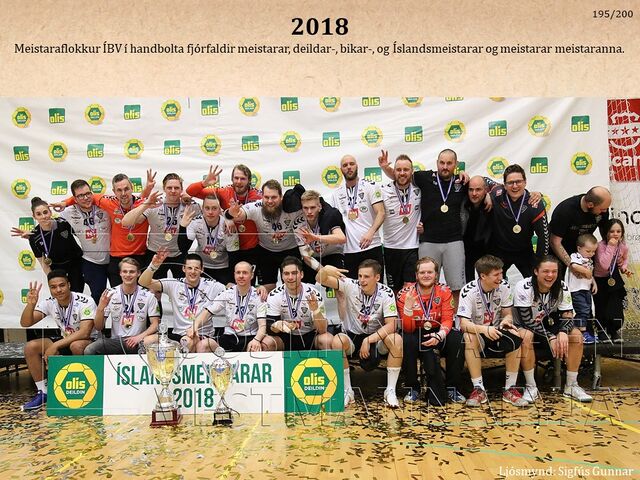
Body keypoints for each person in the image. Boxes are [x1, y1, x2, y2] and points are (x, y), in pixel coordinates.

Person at [381, 149, 469, 305]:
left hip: (454, 241)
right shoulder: (424, 178)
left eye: (449, 163)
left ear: (456, 164)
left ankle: (454, 318)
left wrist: (488, 196)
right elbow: (401, 177)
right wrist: (386, 168)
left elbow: (481, 186)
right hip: (428, 241)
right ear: (437, 163)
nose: (445, 166)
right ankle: (429, 316)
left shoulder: (462, 182)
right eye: (442, 163)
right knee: (426, 285)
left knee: (456, 288)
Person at [316, 260, 403, 408]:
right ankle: (347, 391)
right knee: (337, 341)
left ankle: (390, 391)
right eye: (360, 276)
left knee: (396, 339)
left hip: (376, 337)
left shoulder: (386, 293)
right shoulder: (351, 285)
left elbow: (392, 324)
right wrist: (326, 269)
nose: (362, 280)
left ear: (377, 277)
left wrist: (369, 340)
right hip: (353, 336)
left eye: (366, 276)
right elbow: (320, 279)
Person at [513, 255, 593, 403]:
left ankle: (571, 385)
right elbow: (527, 321)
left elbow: (568, 316)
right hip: (525, 325)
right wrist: (550, 336)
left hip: (548, 323)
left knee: (576, 335)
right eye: (546, 271)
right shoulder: (523, 286)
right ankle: (531, 387)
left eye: (554, 271)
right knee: (526, 336)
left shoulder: (561, 286)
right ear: (536, 271)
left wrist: (562, 332)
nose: (550, 275)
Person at [57, 171, 154, 287]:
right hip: (116, 258)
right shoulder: (108, 202)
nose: (123, 193)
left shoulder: (143, 204)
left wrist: (148, 189)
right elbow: (84, 196)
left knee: (142, 294)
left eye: (126, 189)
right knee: (117, 295)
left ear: (132, 188)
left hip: (140, 256)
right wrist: (65, 203)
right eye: (119, 190)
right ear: (114, 191)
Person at [457, 255, 528, 408]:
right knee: (468, 337)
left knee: (516, 334)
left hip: (497, 330)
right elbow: (464, 324)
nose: (500, 278)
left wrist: (507, 320)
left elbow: (507, 314)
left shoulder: (504, 286)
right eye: (496, 275)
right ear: (483, 276)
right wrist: (484, 329)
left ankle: (510, 389)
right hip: (478, 332)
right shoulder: (468, 291)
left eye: (501, 273)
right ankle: (479, 389)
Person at [19, 270, 96, 411]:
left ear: (69, 285)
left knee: (76, 345)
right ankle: (44, 393)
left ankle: (81, 388)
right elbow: (25, 323)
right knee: (31, 347)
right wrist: (30, 305)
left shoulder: (85, 301)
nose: (58, 290)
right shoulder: (50, 302)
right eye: (53, 287)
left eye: (62, 285)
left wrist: (55, 346)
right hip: (65, 339)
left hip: (89, 341)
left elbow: (85, 332)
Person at [396, 257, 465, 406]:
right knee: (406, 340)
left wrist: (439, 336)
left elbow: (448, 319)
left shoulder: (445, 291)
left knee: (457, 339)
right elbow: (407, 328)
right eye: (422, 272)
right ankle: (413, 388)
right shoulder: (404, 294)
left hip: (438, 329)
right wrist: (408, 308)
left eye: (430, 272)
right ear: (416, 275)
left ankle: (452, 388)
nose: (426, 275)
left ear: (436, 275)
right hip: (415, 330)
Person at [225, 179, 305, 291]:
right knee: (266, 287)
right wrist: (230, 214)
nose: (270, 201)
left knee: (293, 285)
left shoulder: (293, 208)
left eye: (274, 197)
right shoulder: (257, 207)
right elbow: (238, 214)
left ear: (281, 197)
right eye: (266, 197)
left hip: (290, 250)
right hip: (266, 251)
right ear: (262, 197)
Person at [139, 250, 225, 352]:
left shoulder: (212, 285)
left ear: (202, 270)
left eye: (196, 268)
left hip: (202, 334)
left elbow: (231, 291)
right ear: (183, 268)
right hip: (178, 334)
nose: (193, 272)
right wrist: (153, 266)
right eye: (189, 268)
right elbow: (143, 282)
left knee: (186, 342)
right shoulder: (174, 284)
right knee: (147, 341)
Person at [122, 173, 199, 279]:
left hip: (179, 254)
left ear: (182, 189)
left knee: (182, 286)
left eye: (176, 188)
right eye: (169, 188)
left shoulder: (190, 205)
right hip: (155, 253)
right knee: (152, 286)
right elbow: (126, 222)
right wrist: (146, 204)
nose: (173, 191)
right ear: (164, 189)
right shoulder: (154, 204)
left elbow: (211, 212)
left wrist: (190, 197)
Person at [186, 164, 262, 269]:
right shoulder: (224, 192)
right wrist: (204, 183)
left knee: (249, 278)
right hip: (229, 249)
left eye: (243, 179)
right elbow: (190, 191)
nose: (239, 181)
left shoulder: (258, 196)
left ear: (249, 180)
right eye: (236, 178)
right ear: (232, 179)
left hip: (251, 248)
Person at [192, 261, 278, 352]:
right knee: (203, 345)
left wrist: (256, 340)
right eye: (238, 272)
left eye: (245, 273)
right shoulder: (227, 293)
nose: (241, 276)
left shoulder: (258, 295)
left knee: (259, 346)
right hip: (229, 337)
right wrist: (195, 326)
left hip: (250, 337)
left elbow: (262, 326)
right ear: (234, 275)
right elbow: (207, 312)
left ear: (252, 275)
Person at [84, 258, 160, 355]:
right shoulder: (110, 293)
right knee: (90, 349)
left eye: (132, 272)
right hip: (116, 341)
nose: (128, 275)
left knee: (156, 339)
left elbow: (155, 324)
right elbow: (99, 327)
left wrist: (139, 337)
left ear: (138, 273)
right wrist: (100, 308)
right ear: (120, 273)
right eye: (125, 271)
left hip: (138, 341)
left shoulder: (148, 295)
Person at [488, 165, 549, 279]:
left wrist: (540, 263)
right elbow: (483, 180)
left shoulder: (534, 203)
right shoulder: (496, 193)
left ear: (525, 182)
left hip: (524, 251)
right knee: (494, 283)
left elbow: (544, 237)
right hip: (500, 251)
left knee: (535, 282)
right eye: (510, 183)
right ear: (504, 185)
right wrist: (487, 195)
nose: (515, 186)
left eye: (518, 182)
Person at [330, 154, 385, 279]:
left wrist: (370, 232)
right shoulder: (336, 194)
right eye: (345, 165)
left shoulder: (370, 186)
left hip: (372, 246)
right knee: (353, 289)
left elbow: (381, 213)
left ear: (357, 166)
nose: (349, 167)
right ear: (341, 170)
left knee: (376, 287)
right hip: (349, 251)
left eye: (352, 164)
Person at [262, 257, 333, 352]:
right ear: (282, 276)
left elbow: (322, 330)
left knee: (327, 340)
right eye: (286, 274)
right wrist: (277, 325)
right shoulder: (274, 295)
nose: (290, 277)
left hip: (310, 335)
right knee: (267, 343)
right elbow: (270, 328)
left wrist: (315, 310)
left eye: (294, 273)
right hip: (286, 337)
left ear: (301, 274)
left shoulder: (314, 294)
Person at [59, 179, 111, 304]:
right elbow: (51, 224)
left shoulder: (105, 206)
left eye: (88, 193)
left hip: (114, 259)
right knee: (98, 296)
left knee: (120, 295)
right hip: (91, 262)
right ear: (75, 199)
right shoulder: (68, 212)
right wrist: (34, 233)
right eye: (81, 196)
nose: (86, 198)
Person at [380, 153, 422, 293]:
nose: (402, 173)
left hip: (412, 247)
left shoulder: (420, 189)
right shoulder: (383, 190)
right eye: (398, 170)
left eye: (406, 169)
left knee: (411, 289)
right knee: (394, 290)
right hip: (391, 248)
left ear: (412, 171)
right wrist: (385, 167)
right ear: (394, 172)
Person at [549, 186, 611, 279]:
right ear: (590, 205)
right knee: (558, 280)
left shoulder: (603, 210)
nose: (605, 211)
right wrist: (572, 265)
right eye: (602, 209)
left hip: (584, 250)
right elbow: (555, 242)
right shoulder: (565, 210)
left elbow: (605, 236)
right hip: (560, 249)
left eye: (606, 209)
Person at [25, 197, 85, 292]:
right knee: (61, 295)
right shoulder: (34, 236)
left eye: (45, 212)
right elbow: (43, 262)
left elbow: (83, 236)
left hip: (75, 264)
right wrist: (51, 278)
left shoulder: (63, 223)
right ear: (34, 216)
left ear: (50, 212)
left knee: (76, 294)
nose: (43, 216)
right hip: (56, 268)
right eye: (39, 214)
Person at [178, 195, 239, 285]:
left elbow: (234, 256)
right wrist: (182, 227)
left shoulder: (228, 226)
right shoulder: (195, 222)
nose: (210, 212)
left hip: (223, 267)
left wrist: (231, 280)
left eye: (214, 208)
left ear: (220, 210)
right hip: (202, 266)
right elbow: (183, 248)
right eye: (207, 208)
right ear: (202, 209)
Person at [593, 219, 633, 343]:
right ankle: (601, 330)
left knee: (615, 306)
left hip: (614, 278)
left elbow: (623, 260)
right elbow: (604, 265)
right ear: (606, 233)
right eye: (612, 231)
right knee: (601, 306)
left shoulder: (623, 246)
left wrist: (624, 268)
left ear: (622, 233)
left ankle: (613, 330)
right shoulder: (600, 246)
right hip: (600, 279)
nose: (615, 234)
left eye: (618, 231)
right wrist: (611, 246)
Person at [294, 189, 346, 282]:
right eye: (305, 208)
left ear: (320, 207)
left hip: (332, 254)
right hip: (313, 257)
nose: (309, 211)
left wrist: (316, 237)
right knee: (303, 282)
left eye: (312, 207)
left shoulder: (329, 215)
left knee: (340, 282)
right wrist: (325, 271)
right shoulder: (298, 224)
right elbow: (306, 257)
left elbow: (341, 238)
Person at [567, 234, 598, 344]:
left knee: (588, 310)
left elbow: (590, 274)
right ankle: (582, 333)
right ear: (579, 248)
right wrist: (585, 271)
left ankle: (580, 332)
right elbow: (574, 266)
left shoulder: (589, 260)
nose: (591, 254)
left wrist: (594, 283)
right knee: (582, 310)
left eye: (593, 251)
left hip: (586, 289)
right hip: (576, 289)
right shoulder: (576, 256)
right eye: (588, 251)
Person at [462, 176, 492, 281]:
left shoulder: (492, 202)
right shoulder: (463, 202)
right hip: (466, 249)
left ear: (485, 190)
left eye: (478, 189)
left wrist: (489, 195)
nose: (474, 193)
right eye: (471, 190)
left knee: (489, 281)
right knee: (468, 282)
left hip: (488, 249)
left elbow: (502, 187)